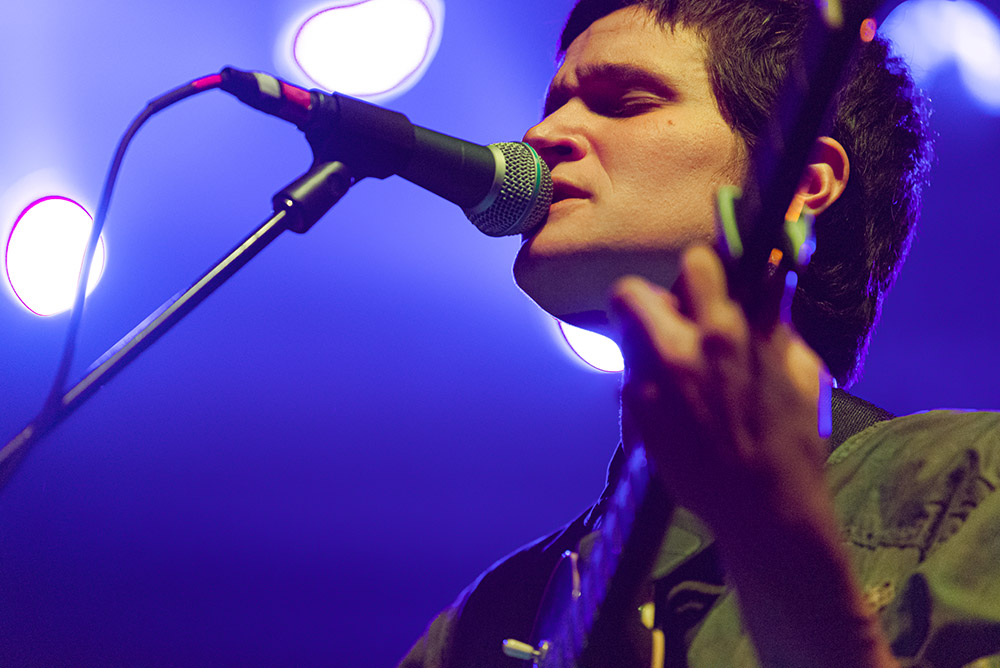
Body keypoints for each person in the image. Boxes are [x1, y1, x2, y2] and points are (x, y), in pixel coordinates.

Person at [400, 1, 1000, 666]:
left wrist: (773, 535)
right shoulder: (481, 625)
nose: (541, 135)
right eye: (552, 105)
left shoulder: (972, 483)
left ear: (805, 184)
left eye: (622, 101)